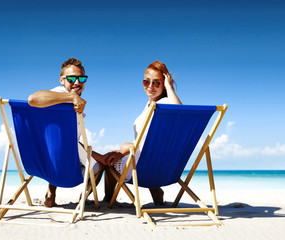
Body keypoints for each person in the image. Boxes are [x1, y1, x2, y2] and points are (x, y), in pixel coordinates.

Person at [28, 57, 112, 207]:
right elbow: (33, 99)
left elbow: (71, 143)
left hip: (46, 162)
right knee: (99, 166)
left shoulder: (63, 102)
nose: (77, 82)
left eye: (82, 78)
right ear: (61, 80)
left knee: (61, 146)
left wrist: (101, 156)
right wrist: (71, 96)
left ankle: (50, 193)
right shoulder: (60, 93)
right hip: (62, 164)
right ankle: (82, 199)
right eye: (71, 78)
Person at [103, 61, 182, 205]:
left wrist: (170, 87)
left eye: (157, 83)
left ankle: (107, 200)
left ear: (164, 84)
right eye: (147, 82)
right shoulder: (151, 105)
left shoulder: (164, 104)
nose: (150, 87)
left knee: (110, 162)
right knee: (123, 151)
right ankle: (155, 190)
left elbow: (179, 111)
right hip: (164, 169)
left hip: (144, 169)